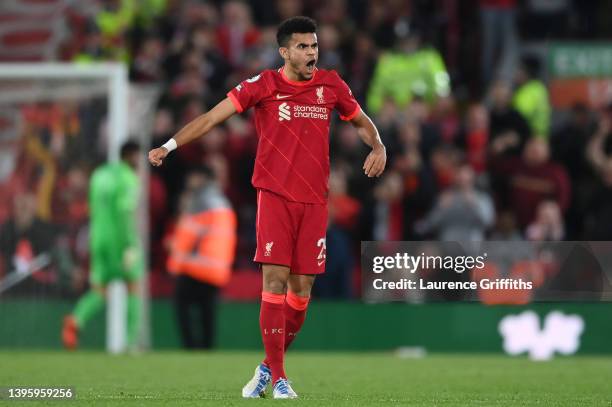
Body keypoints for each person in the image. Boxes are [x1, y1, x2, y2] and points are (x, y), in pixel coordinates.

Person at [148, 16, 386, 399]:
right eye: (303, 47)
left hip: (314, 200)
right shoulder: (263, 86)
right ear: (285, 52)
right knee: (274, 283)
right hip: (274, 196)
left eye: (314, 46)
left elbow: (360, 121)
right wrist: (169, 146)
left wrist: (378, 145)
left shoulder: (331, 84)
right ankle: (279, 379)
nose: (312, 53)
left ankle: (265, 368)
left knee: (302, 292)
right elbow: (212, 117)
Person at [62, 141, 144, 350]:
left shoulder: (99, 175)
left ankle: (76, 319)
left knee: (99, 290)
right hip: (120, 240)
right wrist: (129, 245)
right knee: (133, 287)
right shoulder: (128, 178)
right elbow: (125, 212)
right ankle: (130, 343)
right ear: (131, 156)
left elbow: (92, 207)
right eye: (138, 157)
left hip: (98, 238)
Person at [167, 166, 237, 349]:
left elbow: (189, 235)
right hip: (217, 268)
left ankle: (191, 346)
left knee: (182, 308)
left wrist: (176, 259)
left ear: (202, 178)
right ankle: (207, 348)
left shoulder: (199, 201)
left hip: (195, 266)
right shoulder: (223, 202)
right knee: (208, 311)